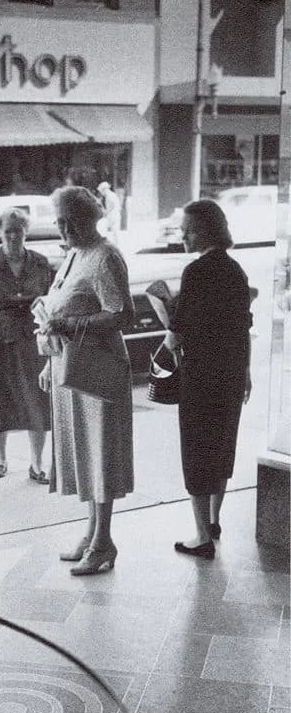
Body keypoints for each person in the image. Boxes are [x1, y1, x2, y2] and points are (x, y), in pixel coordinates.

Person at [33, 186, 135, 575]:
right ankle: (93, 532)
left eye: (70, 221)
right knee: (86, 453)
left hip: (100, 371)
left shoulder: (106, 257)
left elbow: (121, 315)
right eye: (59, 222)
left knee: (102, 454)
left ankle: (104, 541)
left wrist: (70, 325)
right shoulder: (75, 255)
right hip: (72, 367)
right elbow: (58, 305)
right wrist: (49, 361)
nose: (63, 229)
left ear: (90, 217)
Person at [164, 199, 253, 558]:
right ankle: (215, 520)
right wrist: (246, 372)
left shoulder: (196, 272)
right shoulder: (236, 271)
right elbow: (243, 326)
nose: (182, 235)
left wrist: (169, 338)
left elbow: (178, 331)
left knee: (197, 449)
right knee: (222, 443)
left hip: (201, 375)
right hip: (231, 372)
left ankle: (201, 536)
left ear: (203, 231)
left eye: (187, 229)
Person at [0, 207, 54, 482]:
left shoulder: (41, 263)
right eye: (7, 232)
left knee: (36, 400)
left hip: (34, 341)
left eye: (18, 231)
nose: (13, 237)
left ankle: (37, 464)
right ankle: (1, 460)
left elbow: (54, 301)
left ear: (26, 232)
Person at [97, 181, 121, 246]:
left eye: (101, 191)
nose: (101, 193)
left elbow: (111, 207)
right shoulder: (112, 195)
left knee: (104, 228)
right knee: (115, 233)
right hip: (114, 215)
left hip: (112, 216)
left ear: (104, 189)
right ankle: (116, 245)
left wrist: (105, 212)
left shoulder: (109, 196)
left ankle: (106, 245)